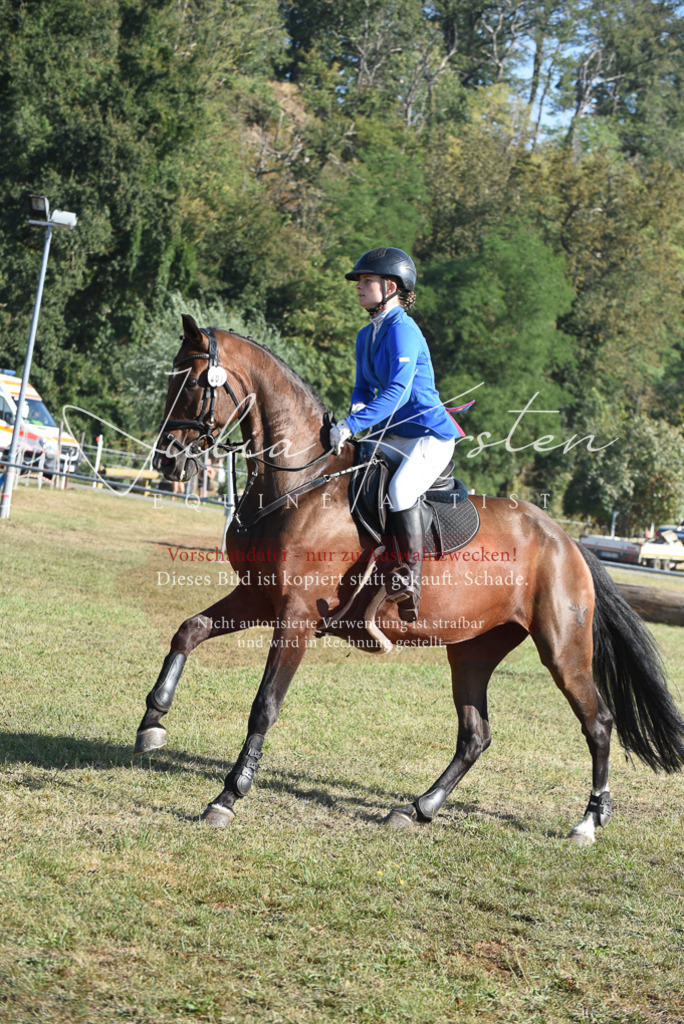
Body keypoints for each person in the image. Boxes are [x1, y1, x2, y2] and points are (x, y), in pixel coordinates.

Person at [329, 247, 463, 622]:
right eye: (359, 281)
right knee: (352, 470)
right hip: (393, 433)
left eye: (366, 280)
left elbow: (397, 394)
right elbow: (362, 388)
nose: (358, 286)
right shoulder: (365, 334)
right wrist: (355, 414)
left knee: (401, 491)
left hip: (428, 434)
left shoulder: (403, 330)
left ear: (389, 287)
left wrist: (352, 425)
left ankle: (410, 581)